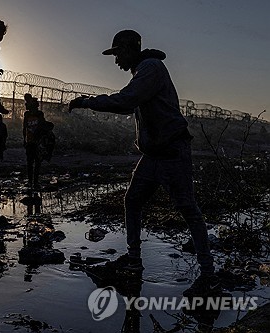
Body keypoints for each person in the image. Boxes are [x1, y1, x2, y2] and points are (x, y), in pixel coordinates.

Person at [68, 30, 218, 297]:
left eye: (118, 53)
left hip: (172, 151)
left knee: (188, 209)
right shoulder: (142, 72)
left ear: (129, 49)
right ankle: (134, 259)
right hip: (154, 155)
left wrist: (88, 102)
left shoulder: (151, 68)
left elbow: (127, 100)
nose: (116, 61)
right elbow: (128, 106)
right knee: (133, 200)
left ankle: (208, 275)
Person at [22, 93, 52, 189]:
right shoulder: (26, 115)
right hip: (29, 142)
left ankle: (35, 182)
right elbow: (24, 127)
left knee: (37, 162)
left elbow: (42, 126)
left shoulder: (39, 114)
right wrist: (24, 140)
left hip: (38, 142)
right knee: (30, 162)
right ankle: (31, 182)